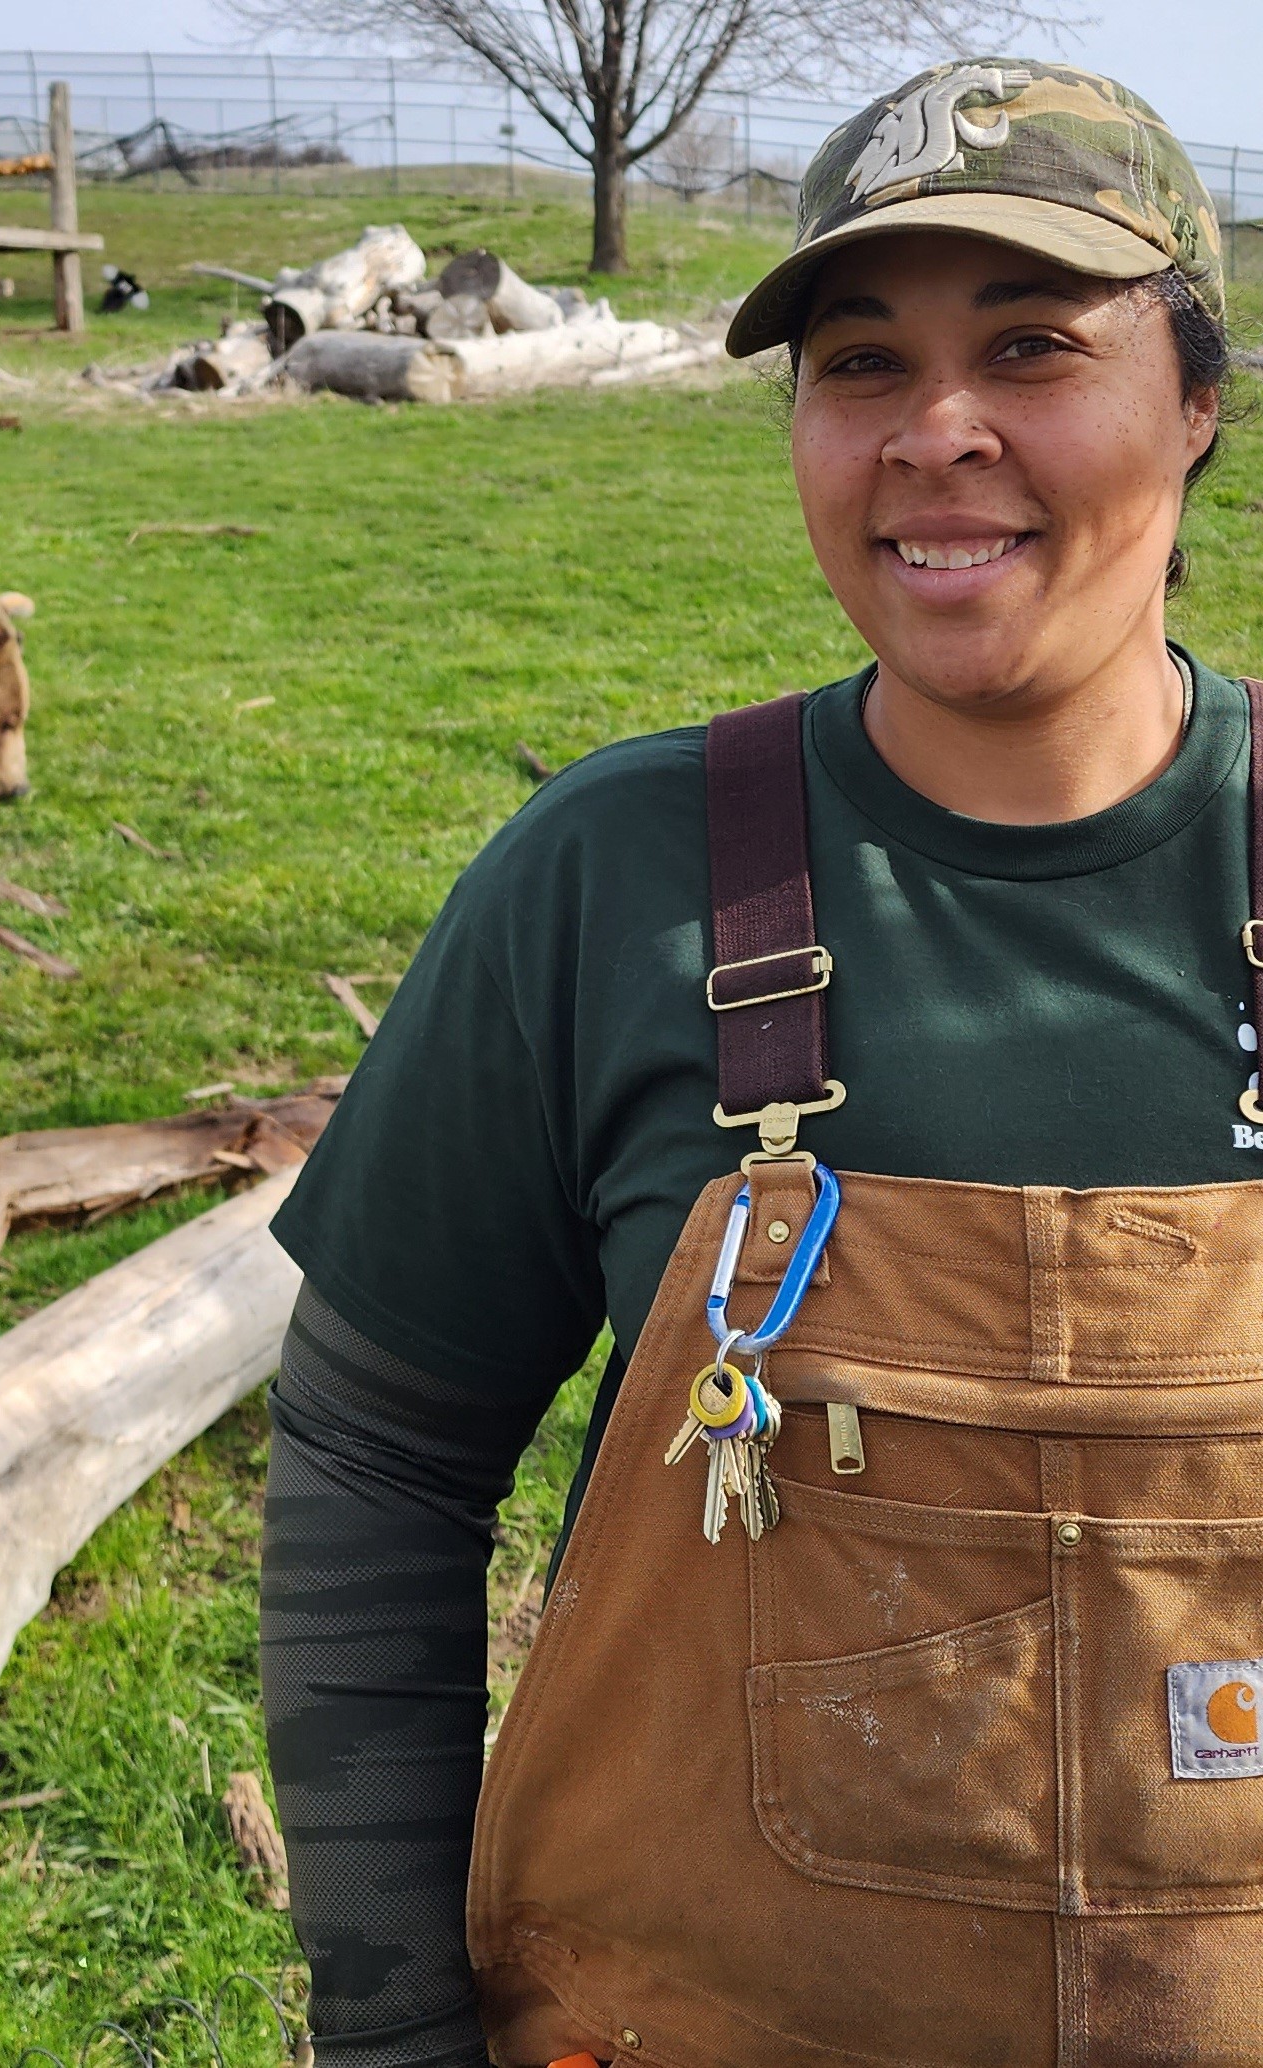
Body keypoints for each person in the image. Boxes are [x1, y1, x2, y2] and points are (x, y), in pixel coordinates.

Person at [260, 58, 1261, 2068]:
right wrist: (382, 2018)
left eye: (1031, 347)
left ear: (1198, 404)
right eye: (859, 361)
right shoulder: (603, 881)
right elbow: (375, 1465)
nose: (934, 434)